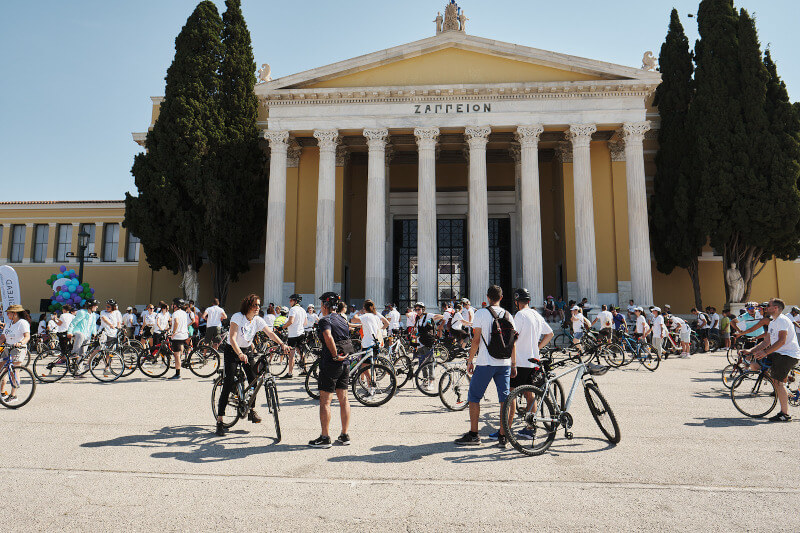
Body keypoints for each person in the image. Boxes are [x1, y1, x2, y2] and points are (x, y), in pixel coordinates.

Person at [216, 294, 289, 436]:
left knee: (254, 379)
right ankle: (220, 420)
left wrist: (282, 344)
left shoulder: (257, 320)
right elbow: (232, 337)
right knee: (228, 382)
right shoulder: (238, 317)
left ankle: (251, 410)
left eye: (259, 305)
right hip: (232, 350)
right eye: (255, 305)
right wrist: (239, 354)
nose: (257, 308)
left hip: (247, 350)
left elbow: (270, 333)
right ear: (248, 305)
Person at [455, 285, 518, 448]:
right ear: (501, 297)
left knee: (474, 397)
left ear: (488, 297)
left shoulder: (481, 313)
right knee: (505, 398)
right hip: (503, 363)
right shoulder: (508, 315)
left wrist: (470, 361)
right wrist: (513, 363)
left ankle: (474, 434)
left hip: (485, 361)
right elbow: (513, 342)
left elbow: (476, 340)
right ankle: (503, 435)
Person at [489, 288, 552, 441]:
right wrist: (537, 348)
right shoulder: (536, 315)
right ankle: (530, 429)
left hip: (521, 362)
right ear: (528, 301)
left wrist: (512, 362)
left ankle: (505, 430)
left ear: (517, 302)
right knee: (530, 396)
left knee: (510, 397)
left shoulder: (520, 315)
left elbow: (513, 339)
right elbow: (550, 334)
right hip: (534, 362)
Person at [741, 298, 800, 422]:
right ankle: (785, 389)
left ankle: (785, 414)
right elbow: (766, 341)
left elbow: (781, 341)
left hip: (787, 354)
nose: (765, 307)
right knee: (755, 365)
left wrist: (765, 352)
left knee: (778, 383)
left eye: (768, 305)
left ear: (776, 308)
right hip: (777, 353)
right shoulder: (773, 322)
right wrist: (751, 351)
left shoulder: (783, 320)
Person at [309, 292, 354, 448]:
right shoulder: (343, 319)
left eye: (321, 305)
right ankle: (344, 435)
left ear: (325, 306)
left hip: (331, 363)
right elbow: (347, 338)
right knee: (344, 400)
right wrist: (343, 355)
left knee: (325, 402)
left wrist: (334, 355)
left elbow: (328, 336)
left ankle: (325, 437)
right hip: (346, 363)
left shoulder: (324, 320)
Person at [0, 305, 31, 401]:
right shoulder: (9, 323)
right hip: (7, 347)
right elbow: (3, 337)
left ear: (14, 313)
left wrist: (20, 343)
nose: (7, 314)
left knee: (14, 371)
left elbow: (27, 336)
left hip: (18, 349)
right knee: (2, 369)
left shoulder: (22, 323)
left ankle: (13, 395)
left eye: (8, 313)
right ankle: (2, 392)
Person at [412, 302, 444, 384]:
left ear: (423, 309)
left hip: (428, 342)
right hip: (420, 342)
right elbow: (417, 330)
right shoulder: (418, 319)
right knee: (422, 363)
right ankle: (425, 380)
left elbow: (441, 316)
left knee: (430, 362)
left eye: (419, 309)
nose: (417, 311)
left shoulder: (428, 315)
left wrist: (432, 319)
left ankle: (431, 381)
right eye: (416, 309)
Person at [65, 300, 99, 375]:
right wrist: (69, 332)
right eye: (95, 305)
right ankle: (74, 352)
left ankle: (78, 371)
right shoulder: (82, 312)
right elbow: (74, 322)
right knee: (81, 335)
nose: (97, 307)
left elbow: (93, 325)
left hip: (87, 335)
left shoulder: (93, 315)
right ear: (90, 306)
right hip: (78, 332)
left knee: (83, 354)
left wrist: (95, 334)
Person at [281, 294, 307, 379]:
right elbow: (305, 323)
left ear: (295, 301)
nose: (289, 302)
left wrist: (282, 327)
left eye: (291, 300)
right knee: (301, 353)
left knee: (291, 355)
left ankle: (290, 373)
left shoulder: (292, 309)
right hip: (301, 333)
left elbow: (290, 321)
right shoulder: (303, 310)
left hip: (293, 335)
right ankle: (304, 371)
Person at [168, 298, 190, 380]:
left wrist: (173, 332)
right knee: (180, 351)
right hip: (184, 334)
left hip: (177, 335)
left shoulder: (175, 313)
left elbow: (176, 322)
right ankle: (180, 361)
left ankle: (177, 374)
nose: (172, 305)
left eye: (173, 304)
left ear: (175, 305)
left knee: (176, 355)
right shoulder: (184, 313)